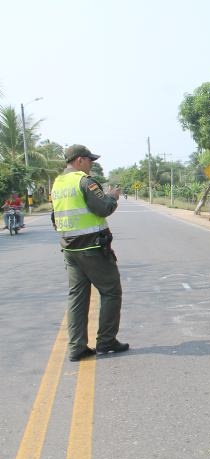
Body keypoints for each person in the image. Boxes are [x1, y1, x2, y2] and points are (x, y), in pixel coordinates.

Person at [51, 144, 129, 362]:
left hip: (70, 248)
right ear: (79, 160)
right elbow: (103, 209)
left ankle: (76, 347)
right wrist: (112, 196)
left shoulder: (58, 183)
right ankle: (106, 341)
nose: (91, 164)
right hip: (93, 248)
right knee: (111, 291)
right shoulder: (84, 181)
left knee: (77, 296)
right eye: (89, 160)